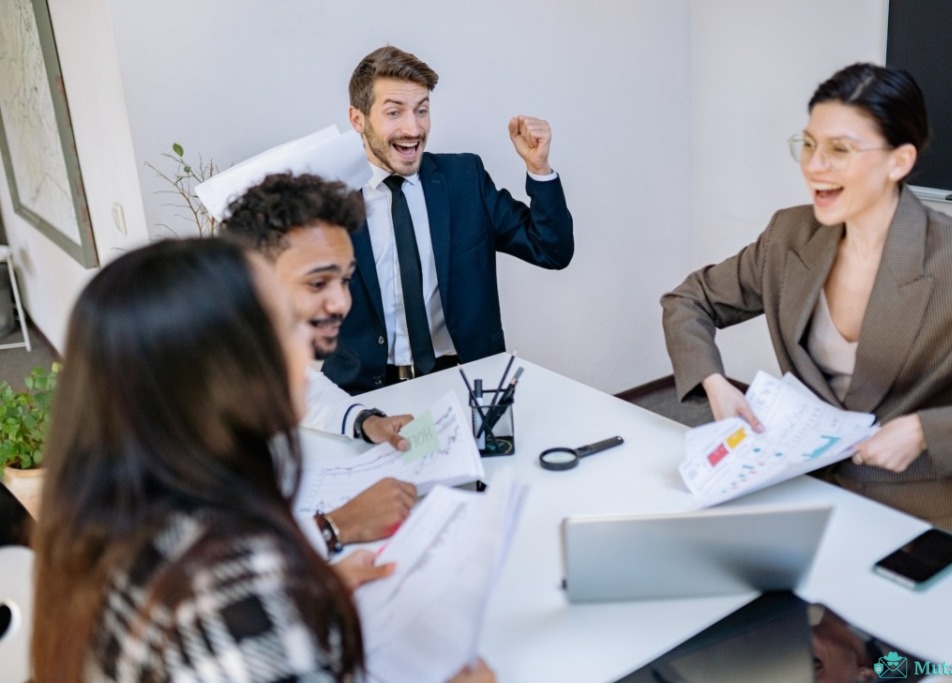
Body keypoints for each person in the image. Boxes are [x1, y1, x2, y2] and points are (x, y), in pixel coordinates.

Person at [31, 238, 494, 682]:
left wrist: (308, 593)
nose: (310, 344)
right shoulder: (228, 590)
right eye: (287, 324)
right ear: (225, 373)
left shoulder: (122, 517)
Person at [661, 62, 952, 537]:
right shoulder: (789, 235)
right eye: (809, 145)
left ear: (899, 161)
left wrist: (925, 433)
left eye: (839, 150)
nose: (814, 165)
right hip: (792, 484)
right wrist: (715, 383)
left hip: (912, 510)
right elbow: (689, 300)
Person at [321, 45, 575, 393]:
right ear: (357, 119)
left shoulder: (464, 178)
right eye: (394, 113)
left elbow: (552, 250)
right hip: (364, 395)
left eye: (422, 110)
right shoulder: (325, 200)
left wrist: (539, 169)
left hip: (466, 383)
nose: (414, 128)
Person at [220, 172, 418, 550]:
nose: (342, 302)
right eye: (317, 283)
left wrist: (365, 421)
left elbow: (306, 389)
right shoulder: (195, 385)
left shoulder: (264, 351)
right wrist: (335, 527)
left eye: (345, 280)